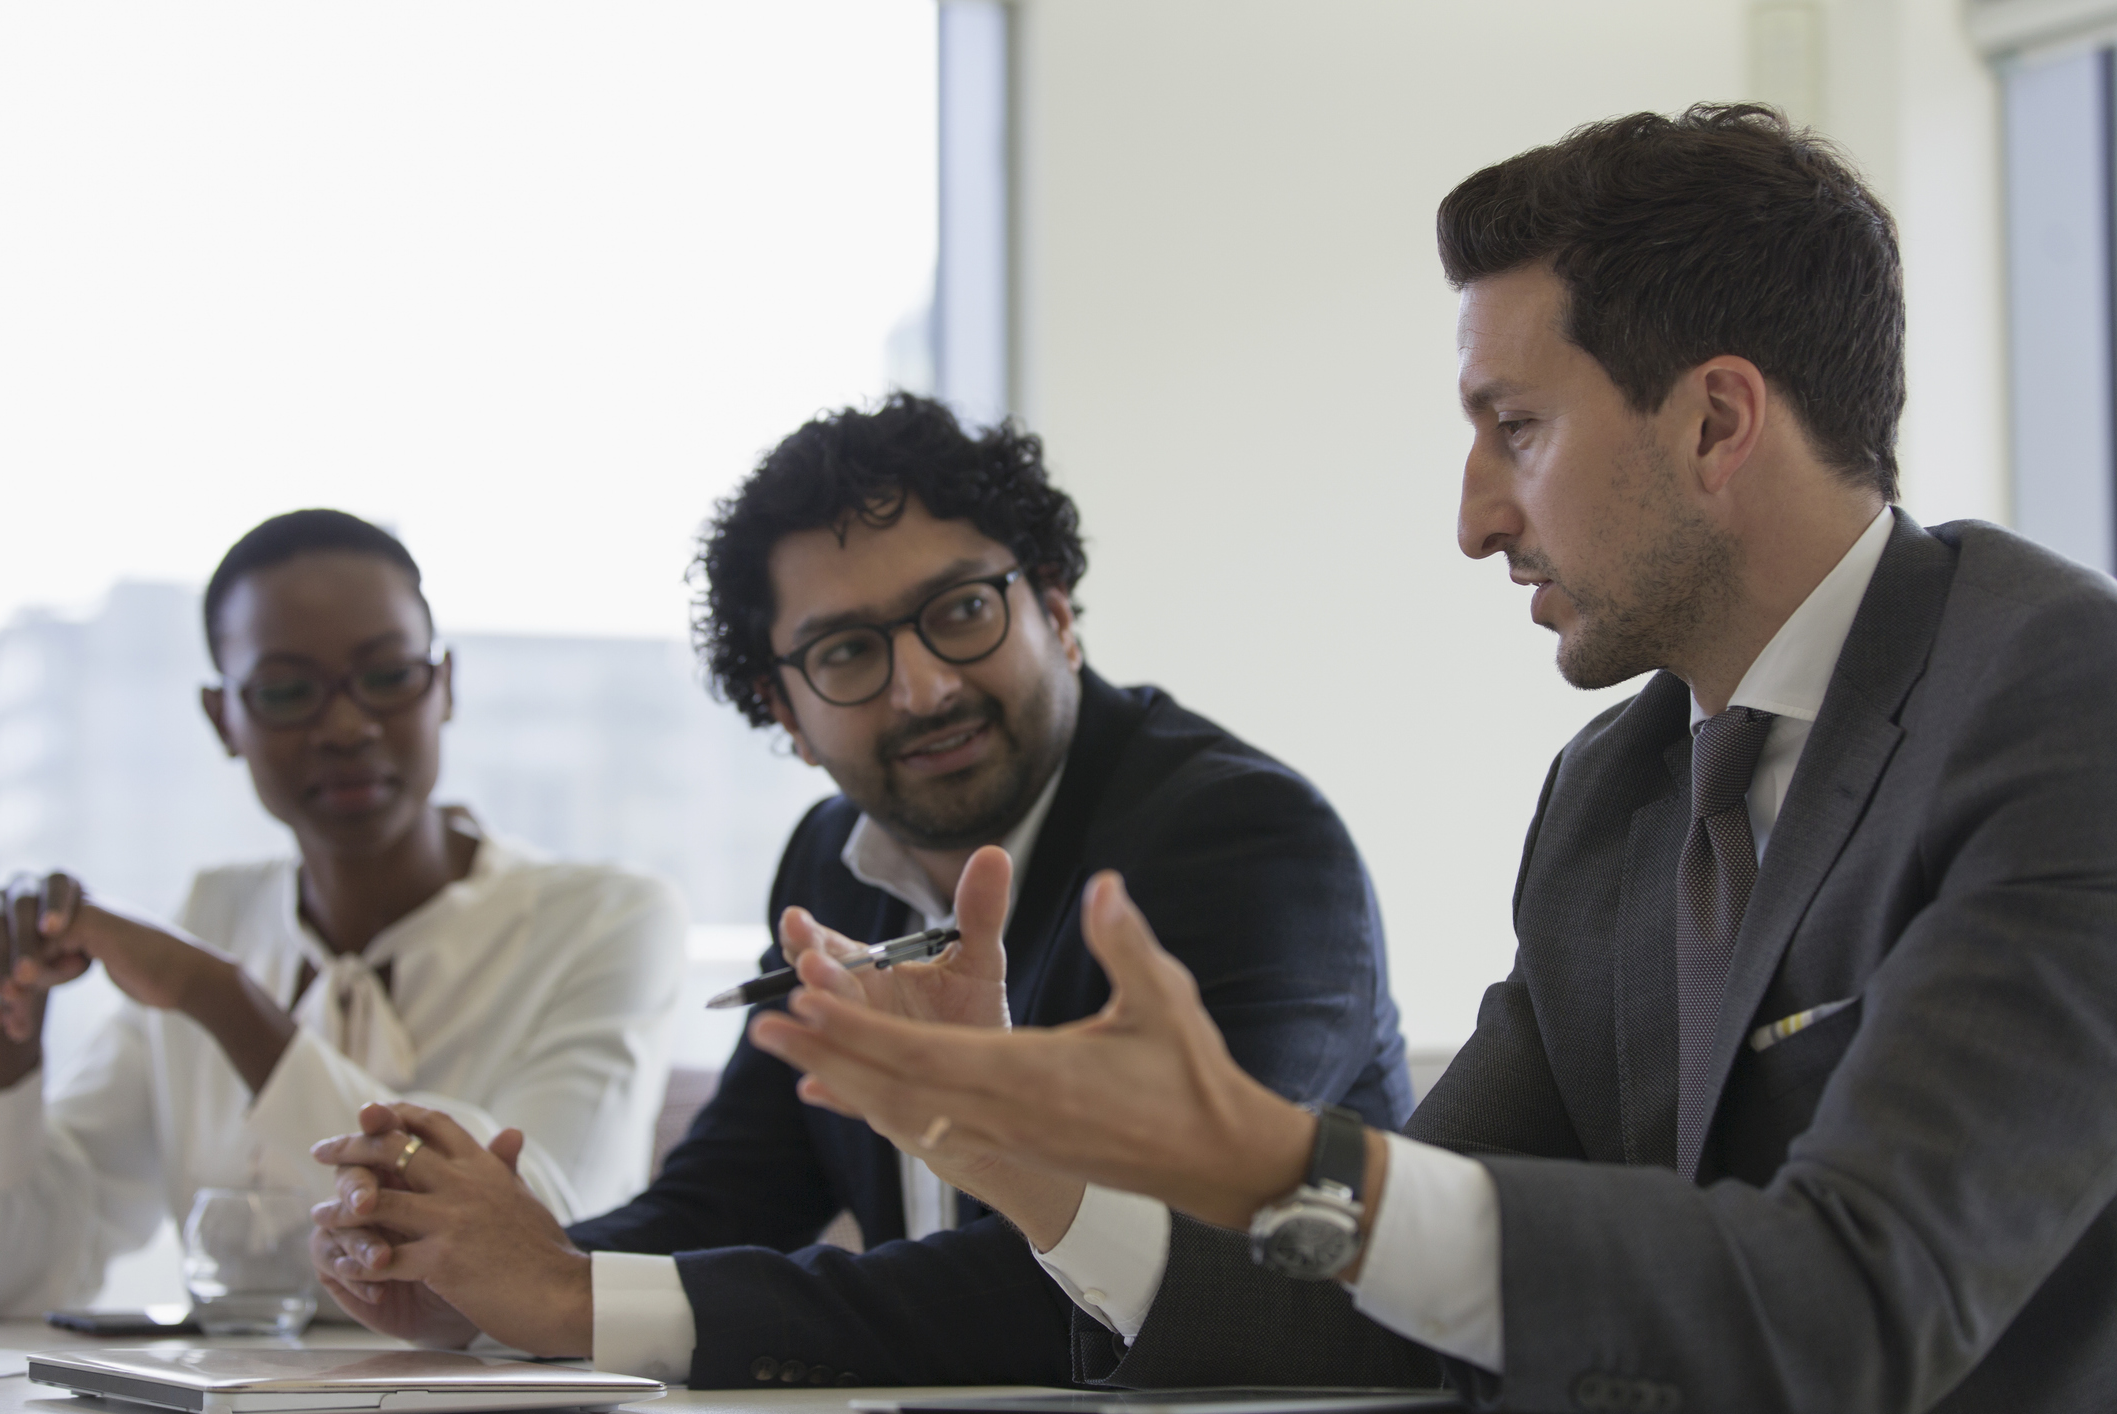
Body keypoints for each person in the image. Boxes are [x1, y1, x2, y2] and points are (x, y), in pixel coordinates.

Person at [743, 106, 2117, 1413]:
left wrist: (1293, 1161)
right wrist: (1023, 1162)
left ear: (1714, 422)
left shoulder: (2061, 705)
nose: (1472, 517)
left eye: (1514, 427)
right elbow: (1382, 1280)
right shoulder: (1612, 794)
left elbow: (1860, 1299)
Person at [305, 393, 1418, 1388]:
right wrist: (481, 1275)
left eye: (963, 611)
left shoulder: (1245, 843)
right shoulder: (832, 855)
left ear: (1058, 610)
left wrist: (569, 1298)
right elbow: (734, 1189)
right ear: (783, 713)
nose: (925, 686)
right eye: (846, 654)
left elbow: (1139, 1261)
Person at [0, 509, 686, 1316]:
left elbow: (542, 1231)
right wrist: (12, 1060)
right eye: (288, 692)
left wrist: (222, 999)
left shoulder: (607, 919)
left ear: (446, 687)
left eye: (388, 676)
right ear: (225, 720)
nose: (347, 726)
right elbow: (26, 1271)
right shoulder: (212, 914)